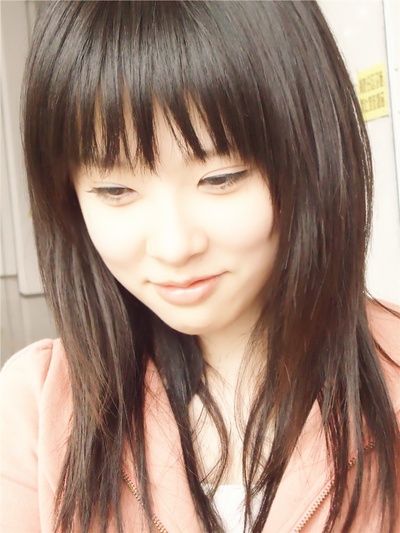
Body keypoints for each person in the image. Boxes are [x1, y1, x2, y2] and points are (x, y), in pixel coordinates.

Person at [1, 1, 399, 532]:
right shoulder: (36, 406)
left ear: (311, 155)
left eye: (221, 178)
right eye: (115, 190)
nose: (173, 246)